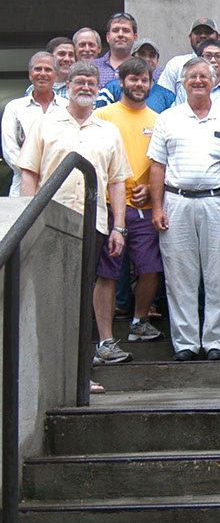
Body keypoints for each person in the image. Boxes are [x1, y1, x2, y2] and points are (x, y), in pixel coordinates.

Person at [18, 61, 132, 368]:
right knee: (53, 295)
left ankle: (80, 371)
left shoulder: (109, 131)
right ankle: (53, 366)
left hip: (93, 224)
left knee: (82, 296)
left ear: (98, 89)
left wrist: (119, 227)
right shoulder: (44, 124)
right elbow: (29, 172)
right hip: (50, 223)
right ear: (67, 86)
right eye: (79, 81)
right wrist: (29, 220)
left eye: (91, 83)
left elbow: (117, 181)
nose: (85, 87)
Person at [147, 57, 220, 361]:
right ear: (183, 83)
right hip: (176, 202)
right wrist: (156, 207)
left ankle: (216, 342)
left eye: (204, 76)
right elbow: (157, 166)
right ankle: (185, 343)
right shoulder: (167, 118)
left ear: (214, 81)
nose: (198, 81)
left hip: (218, 201)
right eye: (192, 76)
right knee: (179, 276)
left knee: (219, 274)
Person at [92, 57, 166, 350]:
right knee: (107, 272)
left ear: (151, 83)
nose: (139, 84)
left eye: (144, 79)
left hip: (145, 206)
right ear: (121, 82)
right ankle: (105, 338)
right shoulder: (102, 116)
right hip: (110, 206)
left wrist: (151, 189)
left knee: (150, 268)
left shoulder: (159, 120)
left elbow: (162, 163)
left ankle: (139, 322)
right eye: (133, 79)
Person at [3, 52, 67, 195]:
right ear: (30, 74)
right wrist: (32, 172)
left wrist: (53, 174)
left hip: (60, 189)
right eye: (38, 69)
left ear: (56, 76)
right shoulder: (14, 108)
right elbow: (10, 150)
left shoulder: (67, 108)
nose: (42, 73)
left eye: (48, 70)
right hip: (21, 188)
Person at [157, 18, 220, 95]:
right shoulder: (175, 64)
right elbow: (163, 97)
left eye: (208, 32)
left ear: (218, 37)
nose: (202, 36)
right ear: (190, 37)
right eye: (198, 33)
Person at [173, 39, 220, 112]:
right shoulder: (186, 88)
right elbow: (177, 114)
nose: (213, 60)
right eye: (208, 55)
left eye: (218, 56)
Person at [92, 12, 138, 86]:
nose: (120, 34)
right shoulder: (92, 66)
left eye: (126, 31)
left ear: (135, 37)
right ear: (108, 37)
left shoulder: (146, 69)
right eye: (115, 30)